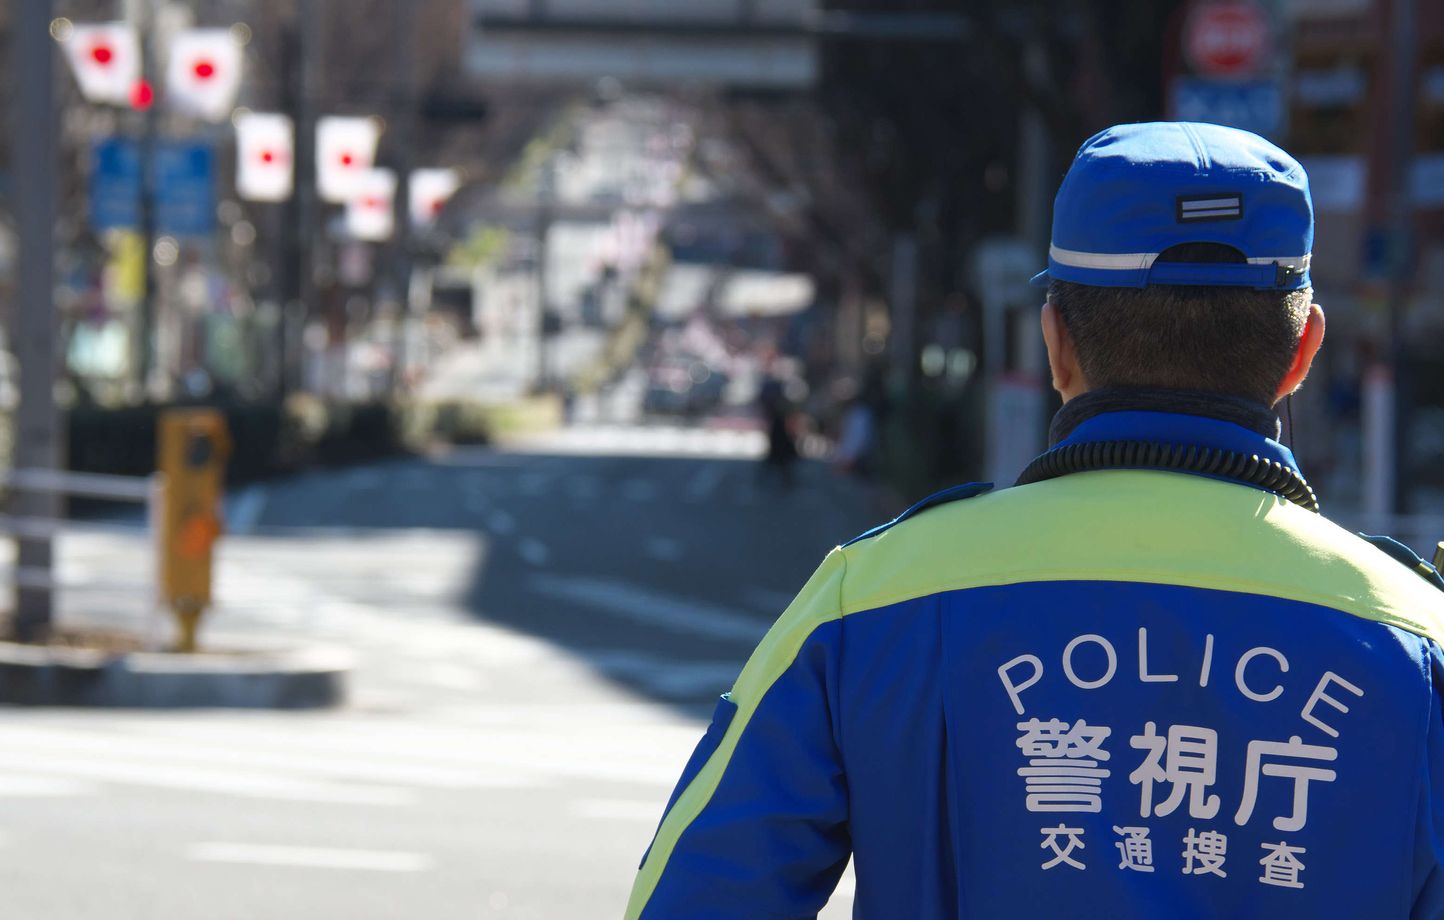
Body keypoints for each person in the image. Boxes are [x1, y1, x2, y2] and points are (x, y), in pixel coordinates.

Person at [623, 122, 1444, 919]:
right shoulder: (1420, 640)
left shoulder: (868, 602)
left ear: (1055, 344)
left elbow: (700, 894)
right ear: (1303, 355)